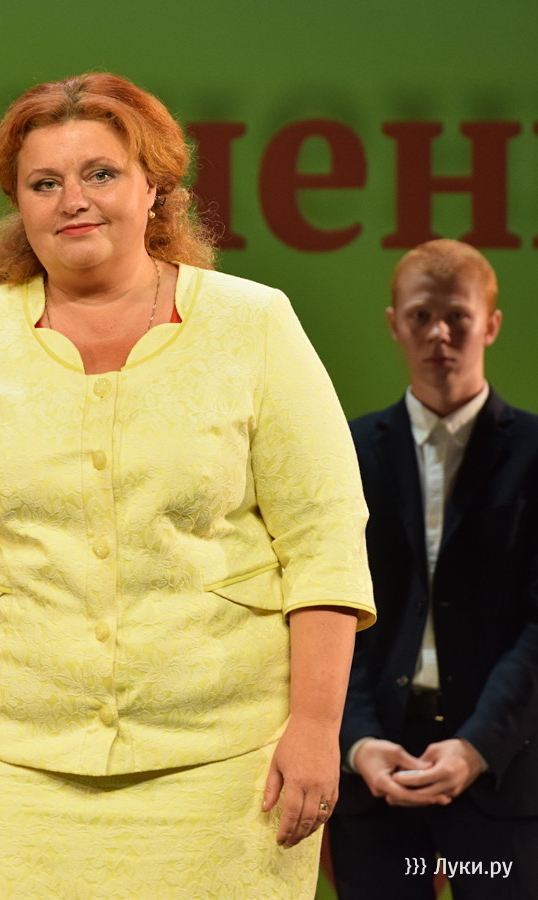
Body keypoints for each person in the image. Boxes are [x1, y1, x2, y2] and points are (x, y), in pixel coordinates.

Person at [0, 71, 377, 897]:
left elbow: (323, 542)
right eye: (44, 183)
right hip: (5, 774)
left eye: (101, 173)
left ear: (155, 188)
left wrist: (318, 728)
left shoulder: (254, 323)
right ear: (18, 203)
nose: (74, 200)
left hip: (230, 769)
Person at [329, 240, 538, 899]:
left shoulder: (535, 452)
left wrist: (478, 746)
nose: (439, 333)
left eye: (458, 316)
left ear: (491, 324)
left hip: (503, 767)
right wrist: (357, 741)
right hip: (375, 770)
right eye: (421, 316)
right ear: (395, 323)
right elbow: (328, 609)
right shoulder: (344, 451)